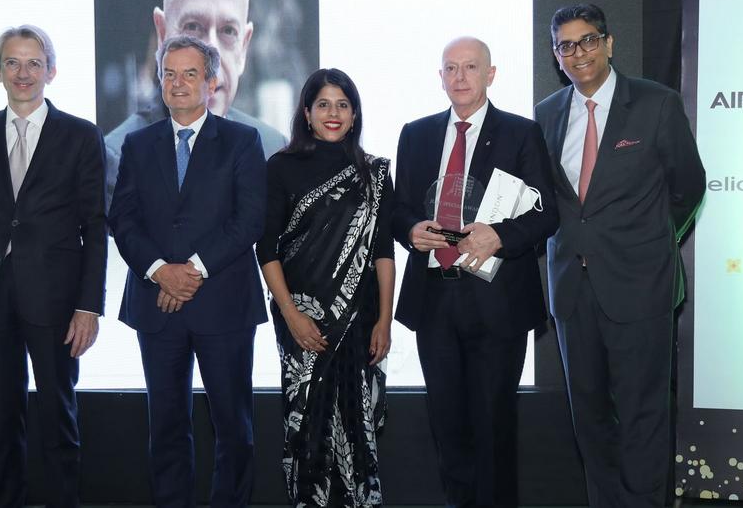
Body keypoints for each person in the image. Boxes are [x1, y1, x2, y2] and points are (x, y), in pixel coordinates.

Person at [534, 3, 706, 508]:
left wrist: (648, 242)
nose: (578, 52)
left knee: (642, 418)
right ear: (556, 56)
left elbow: (688, 186)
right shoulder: (546, 114)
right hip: (573, 291)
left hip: (640, 286)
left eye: (588, 40)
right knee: (589, 421)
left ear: (609, 43)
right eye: (566, 45)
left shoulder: (656, 104)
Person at [392, 37, 559, 508]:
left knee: (493, 428)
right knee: (448, 428)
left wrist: (499, 236)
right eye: (451, 68)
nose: (460, 77)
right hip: (434, 302)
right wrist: (411, 229)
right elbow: (398, 208)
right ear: (440, 77)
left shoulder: (520, 133)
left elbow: (547, 214)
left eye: (470, 67)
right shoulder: (416, 134)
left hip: (497, 303)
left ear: (491, 74)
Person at [0, 25, 107, 508]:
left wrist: (88, 306)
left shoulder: (81, 135)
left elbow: (95, 226)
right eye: (13, 63)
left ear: (51, 71)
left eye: (34, 63)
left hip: (56, 301)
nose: (23, 73)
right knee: (1, 419)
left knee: (58, 418)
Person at [108, 34, 268, 508]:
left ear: (211, 82)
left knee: (233, 428)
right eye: (169, 74)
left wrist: (192, 271)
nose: (177, 83)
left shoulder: (242, 141)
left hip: (223, 306)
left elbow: (249, 220)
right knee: (166, 427)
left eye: (190, 73)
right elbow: (123, 219)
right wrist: (161, 271)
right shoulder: (137, 144)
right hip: (157, 306)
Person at [257, 68, 395, 507]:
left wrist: (385, 320)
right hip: (301, 320)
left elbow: (383, 251)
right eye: (323, 104)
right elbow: (267, 248)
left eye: (342, 105)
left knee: (357, 424)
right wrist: (291, 315)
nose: (333, 113)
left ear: (354, 115)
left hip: (360, 321)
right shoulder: (281, 167)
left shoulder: (373, 173)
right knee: (308, 427)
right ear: (307, 113)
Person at [104, 0, 287, 209]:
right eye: (193, 28)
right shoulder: (118, 163)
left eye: (228, 31)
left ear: (244, 47)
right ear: (162, 34)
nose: (210, 58)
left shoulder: (274, 154)